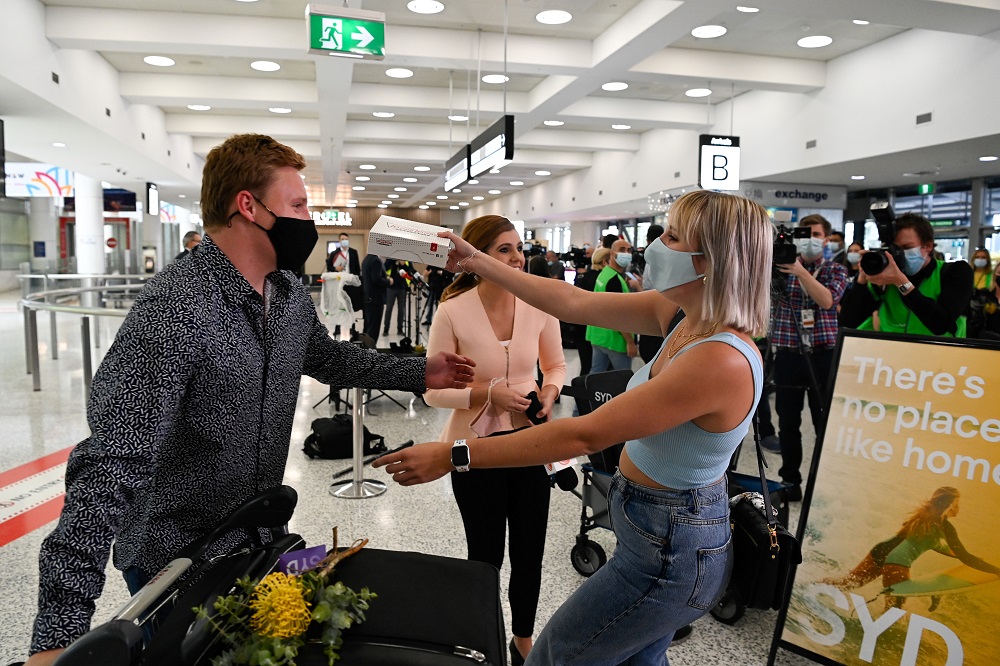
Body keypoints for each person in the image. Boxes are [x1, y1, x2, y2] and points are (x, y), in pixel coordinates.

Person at [24, 133, 475, 666]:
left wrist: (419, 370)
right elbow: (107, 472)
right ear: (249, 207)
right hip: (178, 555)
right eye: (299, 205)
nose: (309, 220)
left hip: (258, 534)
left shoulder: (285, 293)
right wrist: (56, 638)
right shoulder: (174, 312)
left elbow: (328, 359)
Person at [374, 189, 773, 665]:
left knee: (556, 655)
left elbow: (583, 434)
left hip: (672, 550)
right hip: (650, 532)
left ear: (709, 260)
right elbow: (572, 301)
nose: (654, 245)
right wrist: (476, 260)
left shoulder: (719, 358)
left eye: (671, 235)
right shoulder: (681, 315)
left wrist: (455, 454)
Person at [422, 215, 566, 666]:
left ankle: (522, 643)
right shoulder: (453, 311)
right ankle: (482, 637)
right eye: (504, 249)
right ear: (478, 256)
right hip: (473, 451)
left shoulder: (538, 303)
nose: (517, 257)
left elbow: (557, 366)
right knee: (484, 556)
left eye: (518, 248)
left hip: (529, 446)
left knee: (530, 554)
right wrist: (486, 392)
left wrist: (547, 391)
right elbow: (432, 391)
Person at [765, 214, 848, 503]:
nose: (810, 239)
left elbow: (827, 301)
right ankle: (790, 479)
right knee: (788, 422)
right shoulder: (778, 268)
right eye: (804, 233)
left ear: (826, 238)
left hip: (823, 355)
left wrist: (801, 273)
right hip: (788, 355)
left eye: (815, 233)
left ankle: (827, 478)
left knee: (824, 420)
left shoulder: (835, 270)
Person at [825, 487, 1000, 611]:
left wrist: (937, 590)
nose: (960, 507)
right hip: (896, 562)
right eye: (958, 503)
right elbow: (965, 557)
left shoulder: (923, 517)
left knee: (845, 583)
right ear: (951, 505)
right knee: (895, 610)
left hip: (880, 551)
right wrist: (996, 571)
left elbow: (947, 550)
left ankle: (809, 585)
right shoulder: (944, 527)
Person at [840, 213, 974, 337]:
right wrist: (862, 280)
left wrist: (901, 282)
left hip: (941, 356)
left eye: (906, 247)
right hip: (892, 357)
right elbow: (849, 322)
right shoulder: (884, 279)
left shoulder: (955, 271)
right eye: (894, 249)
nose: (899, 254)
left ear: (928, 246)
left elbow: (940, 324)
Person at [585, 238, 639, 372]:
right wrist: (630, 342)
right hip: (615, 340)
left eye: (628, 250)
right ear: (612, 254)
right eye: (622, 250)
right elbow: (618, 315)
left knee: (596, 377)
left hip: (599, 336)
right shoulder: (614, 280)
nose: (626, 253)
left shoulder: (604, 274)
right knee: (622, 380)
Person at [326, 232, 363, 335]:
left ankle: (352, 327)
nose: (344, 241)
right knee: (339, 306)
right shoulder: (334, 253)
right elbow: (329, 267)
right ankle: (338, 328)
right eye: (342, 239)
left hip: (350, 283)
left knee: (351, 306)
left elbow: (357, 269)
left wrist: (355, 280)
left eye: (346, 239)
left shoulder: (353, 252)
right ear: (339, 241)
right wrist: (335, 268)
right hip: (339, 283)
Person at [362, 251, 391, 344]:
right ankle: (371, 350)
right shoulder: (375, 260)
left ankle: (367, 349)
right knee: (374, 328)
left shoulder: (366, 259)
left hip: (368, 298)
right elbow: (376, 279)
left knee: (369, 326)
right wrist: (388, 281)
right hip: (376, 299)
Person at [967, 248, 995, 338]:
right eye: (978, 257)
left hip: (984, 313)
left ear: (988, 260)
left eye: (983, 257)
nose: (980, 259)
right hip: (969, 312)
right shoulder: (968, 273)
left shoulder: (991, 275)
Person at [383, 258, 412, 337]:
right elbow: (384, 268)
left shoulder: (406, 260)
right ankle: (386, 329)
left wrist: (404, 265)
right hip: (391, 288)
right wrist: (393, 261)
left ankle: (400, 329)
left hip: (402, 288)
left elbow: (411, 271)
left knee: (401, 309)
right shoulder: (390, 258)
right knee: (389, 309)